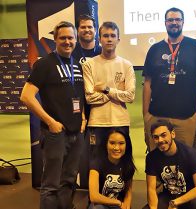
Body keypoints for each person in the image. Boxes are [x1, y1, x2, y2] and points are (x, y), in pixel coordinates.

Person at [20, 21, 86, 209]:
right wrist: (50, 122)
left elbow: (78, 96)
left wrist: (82, 119)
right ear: (55, 39)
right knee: (51, 184)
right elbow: (26, 96)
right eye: (63, 37)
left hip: (76, 133)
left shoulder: (78, 66)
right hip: (55, 134)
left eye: (70, 38)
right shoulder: (45, 64)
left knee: (69, 180)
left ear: (76, 40)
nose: (67, 41)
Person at [143, 7, 196, 151]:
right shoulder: (154, 49)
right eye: (170, 20)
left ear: (183, 22)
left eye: (178, 19)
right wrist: (146, 115)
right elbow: (147, 83)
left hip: (187, 117)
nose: (174, 23)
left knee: (187, 164)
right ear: (165, 23)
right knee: (158, 164)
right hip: (157, 117)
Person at [82, 21, 135, 154]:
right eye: (105, 36)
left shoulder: (126, 65)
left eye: (112, 36)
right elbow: (89, 98)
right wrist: (117, 93)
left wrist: (106, 89)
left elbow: (130, 96)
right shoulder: (89, 64)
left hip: (121, 121)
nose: (109, 39)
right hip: (97, 123)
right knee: (96, 163)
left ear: (118, 39)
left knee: (121, 163)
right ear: (99, 39)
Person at [144, 120, 196, 209]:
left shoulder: (190, 153)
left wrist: (175, 202)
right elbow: (151, 189)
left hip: (190, 196)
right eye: (156, 137)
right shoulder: (151, 157)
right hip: (168, 195)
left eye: (163, 135)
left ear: (172, 134)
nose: (160, 140)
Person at [72, 14, 102, 189]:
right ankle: (73, 187)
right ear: (78, 30)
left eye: (90, 27)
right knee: (75, 150)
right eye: (83, 27)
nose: (87, 30)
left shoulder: (102, 51)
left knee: (98, 151)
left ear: (95, 30)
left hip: (98, 107)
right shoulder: (72, 51)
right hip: (76, 108)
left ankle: (98, 189)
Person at [88, 128, 136, 209]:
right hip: (100, 205)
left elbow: (128, 192)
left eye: (121, 143)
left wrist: (126, 205)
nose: (116, 148)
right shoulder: (96, 163)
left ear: (126, 145)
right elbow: (93, 196)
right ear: (106, 144)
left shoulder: (128, 165)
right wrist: (118, 203)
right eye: (112, 143)